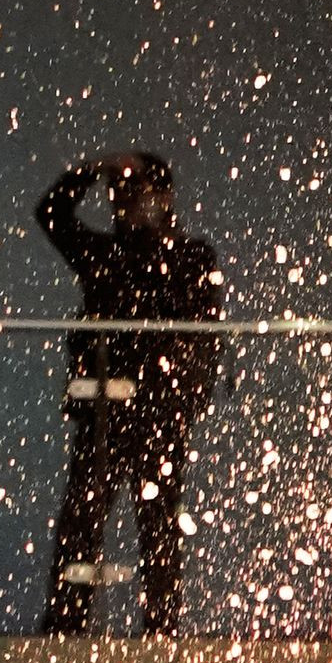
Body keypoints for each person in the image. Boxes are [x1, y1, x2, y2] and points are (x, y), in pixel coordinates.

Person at [36, 154, 224, 633]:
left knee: (158, 522)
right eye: (117, 193)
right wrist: (92, 169)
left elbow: (205, 335)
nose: (123, 202)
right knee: (83, 518)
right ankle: (67, 623)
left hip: (160, 411)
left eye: (134, 191)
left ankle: (161, 627)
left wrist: (188, 394)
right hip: (106, 408)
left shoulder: (190, 257)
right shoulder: (105, 253)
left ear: (164, 197)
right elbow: (52, 214)